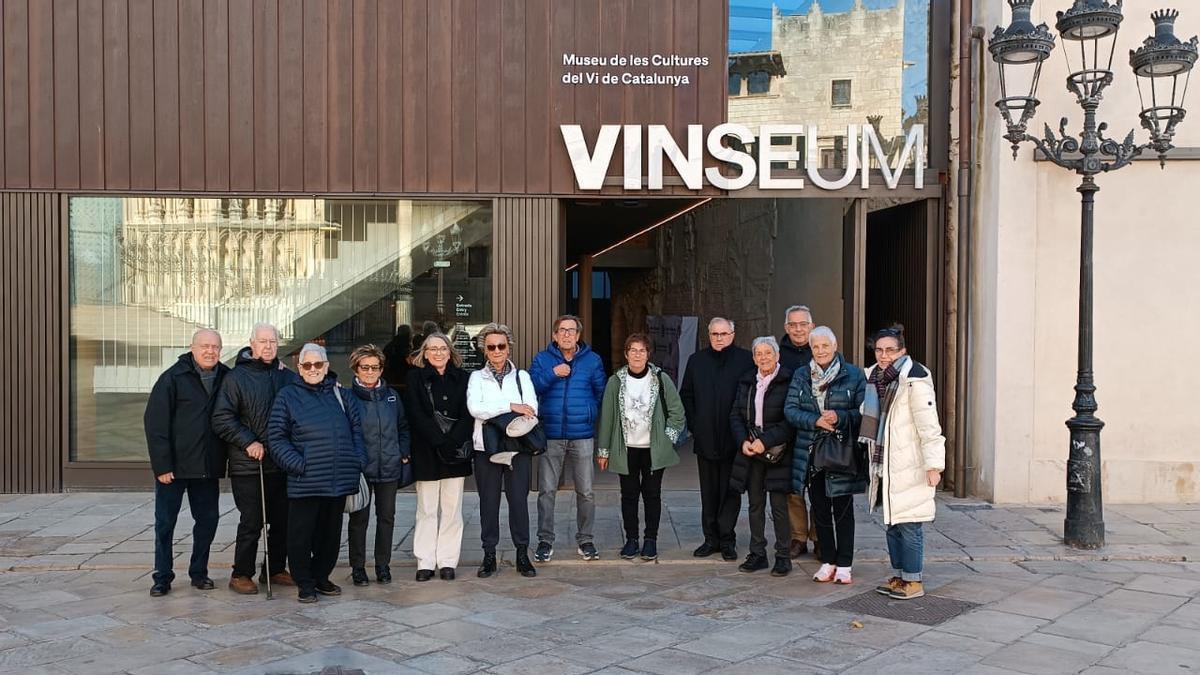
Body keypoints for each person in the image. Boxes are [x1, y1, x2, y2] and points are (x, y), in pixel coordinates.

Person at [268, 343, 367, 603]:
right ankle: (305, 583)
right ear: (299, 368)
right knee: (301, 535)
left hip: (338, 479)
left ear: (327, 366)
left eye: (318, 364)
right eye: (307, 365)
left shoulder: (342, 395)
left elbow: (357, 431)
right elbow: (277, 438)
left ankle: (322, 577)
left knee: (330, 535)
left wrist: (357, 461)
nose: (313, 369)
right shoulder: (287, 396)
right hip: (305, 481)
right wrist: (299, 465)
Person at [211, 323, 300, 594]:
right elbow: (221, 418)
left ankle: (273, 569)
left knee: (283, 520)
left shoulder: (286, 376)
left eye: (272, 341)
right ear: (252, 343)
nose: (268, 346)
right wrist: (248, 441)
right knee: (252, 521)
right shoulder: (236, 377)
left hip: (282, 463)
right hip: (249, 464)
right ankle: (241, 573)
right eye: (263, 341)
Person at [144, 329, 230, 597]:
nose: (210, 351)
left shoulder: (227, 377)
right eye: (205, 346)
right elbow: (155, 424)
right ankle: (162, 576)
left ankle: (199, 572)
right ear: (192, 348)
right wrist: (162, 466)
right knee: (165, 524)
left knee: (208, 521)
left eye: (215, 347)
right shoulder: (172, 377)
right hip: (174, 469)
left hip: (207, 466)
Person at [862, 328, 946, 600]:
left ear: (902, 351)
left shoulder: (914, 380)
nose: (884, 355)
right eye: (879, 350)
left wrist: (934, 465)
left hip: (910, 464)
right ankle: (899, 576)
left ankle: (913, 580)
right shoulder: (873, 378)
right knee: (892, 523)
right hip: (885, 464)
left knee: (910, 524)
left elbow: (929, 426)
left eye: (890, 350)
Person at [784, 326, 866, 585]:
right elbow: (791, 410)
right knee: (820, 509)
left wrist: (840, 417)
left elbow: (864, 412)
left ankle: (845, 564)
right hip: (811, 452)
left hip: (841, 451)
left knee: (843, 510)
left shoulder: (853, 375)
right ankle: (827, 560)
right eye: (815, 346)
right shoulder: (801, 374)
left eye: (824, 346)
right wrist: (815, 420)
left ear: (835, 346)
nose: (820, 351)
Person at [596, 333, 686, 562]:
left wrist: (668, 439)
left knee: (652, 495)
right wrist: (603, 450)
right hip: (625, 449)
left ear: (648, 354)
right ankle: (632, 539)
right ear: (626, 354)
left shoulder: (660, 379)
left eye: (642, 350)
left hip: (653, 449)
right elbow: (607, 417)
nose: (637, 354)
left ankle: (650, 540)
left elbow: (677, 412)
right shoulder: (615, 381)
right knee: (629, 495)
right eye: (633, 350)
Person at [529, 314, 606, 562]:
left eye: (571, 330)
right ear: (554, 335)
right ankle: (545, 540)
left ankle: (586, 540)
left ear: (578, 335)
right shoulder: (542, 359)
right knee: (547, 491)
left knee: (586, 492)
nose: (566, 334)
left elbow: (600, 392)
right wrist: (553, 373)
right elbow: (531, 389)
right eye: (562, 330)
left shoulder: (592, 360)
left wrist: (588, 412)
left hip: (582, 434)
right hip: (551, 433)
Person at [467, 323, 539, 579]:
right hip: (485, 448)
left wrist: (497, 409)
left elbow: (531, 408)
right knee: (488, 502)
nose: (497, 350)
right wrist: (510, 406)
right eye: (491, 346)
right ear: (484, 350)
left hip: (517, 449)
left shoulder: (522, 377)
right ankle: (489, 555)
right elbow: (476, 409)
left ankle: (522, 553)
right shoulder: (476, 377)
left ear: (509, 348)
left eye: (501, 346)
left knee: (519, 501)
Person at [680, 317, 754, 561]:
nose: (719, 338)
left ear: (733, 334)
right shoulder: (696, 361)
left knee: (731, 491)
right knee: (709, 491)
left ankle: (727, 539)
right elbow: (687, 396)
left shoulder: (745, 360)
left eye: (723, 334)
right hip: (706, 438)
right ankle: (710, 539)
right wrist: (695, 426)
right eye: (714, 334)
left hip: (735, 440)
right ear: (708, 335)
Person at [403, 332, 474, 582]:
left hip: (456, 451)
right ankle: (425, 561)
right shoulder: (414, 378)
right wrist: (438, 440)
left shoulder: (464, 378)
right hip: (426, 451)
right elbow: (415, 413)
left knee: (452, 509)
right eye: (432, 349)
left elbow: (469, 412)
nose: (438, 353)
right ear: (425, 352)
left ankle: (447, 561)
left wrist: (452, 440)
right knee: (427, 509)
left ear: (450, 351)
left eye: (442, 348)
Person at [728, 337, 795, 577]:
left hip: (778, 452)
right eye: (759, 353)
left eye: (768, 353)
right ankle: (757, 554)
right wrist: (743, 442)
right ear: (754, 357)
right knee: (755, 504)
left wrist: (764, 441)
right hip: (751, 452)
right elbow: (736, 414)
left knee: (778, 507)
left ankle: (783, 556)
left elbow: (791, 420)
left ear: (777, 355)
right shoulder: (747, 380)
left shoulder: (789, 380)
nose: (763, 357)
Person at [345, 344, 411, 586]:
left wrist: (403, 452)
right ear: (356, 368)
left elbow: (403, 427)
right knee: (359, 519)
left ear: (382, 369)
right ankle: (358, 567)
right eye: (365, 367)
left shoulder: (393, 397)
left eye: (375, 367)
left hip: (389, 467)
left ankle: (383, 565)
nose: (370, 372)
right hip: (361, 469)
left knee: (387, 518)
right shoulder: (348, 397)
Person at [778, 305, 816, 559]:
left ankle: (819, 537)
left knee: (819, 489)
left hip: (817, 432)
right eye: (793, 325)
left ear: (812, 326)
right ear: (786, 328)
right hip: (788, 430)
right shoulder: (778, 354)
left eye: (803, 324)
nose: (798, 329)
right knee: (793, 488)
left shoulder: (823, 349)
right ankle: (798, 537)